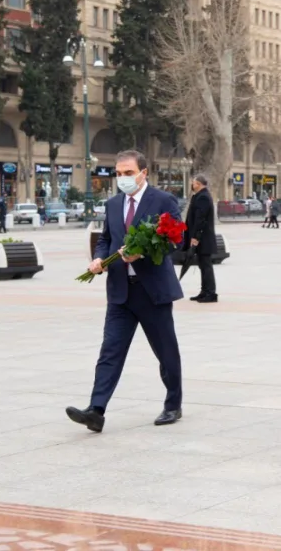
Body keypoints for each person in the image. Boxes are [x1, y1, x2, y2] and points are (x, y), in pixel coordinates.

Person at [66, 150, 185, 432]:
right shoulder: (113, 204)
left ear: (144, 173)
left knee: (165, 352)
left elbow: (175, 241)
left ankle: (173, 404)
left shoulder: (163, 200)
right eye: (118, 173)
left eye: (128, 173)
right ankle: (96, 410)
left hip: (152, 291)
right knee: (110, 351)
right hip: (120, 291)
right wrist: (99, 259)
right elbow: (106, 239)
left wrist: (142, 252)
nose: (123, 178)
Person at [185, 174, 218, 303]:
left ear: (198, 183)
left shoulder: (203, 197)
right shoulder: (200, 196)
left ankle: (211, 293)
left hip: (203, 238)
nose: (192, 185)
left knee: (206, 266)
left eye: (193, 183)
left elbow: (201, 219)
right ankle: (205, 291)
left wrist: (195, 237)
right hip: (202, 238)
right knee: (203, 266)